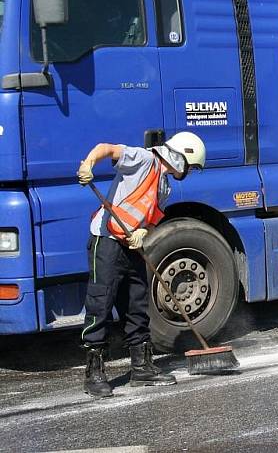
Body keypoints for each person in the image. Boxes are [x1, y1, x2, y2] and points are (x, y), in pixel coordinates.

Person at [76, 132, 206, 397]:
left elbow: (151, 219)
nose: (189, 173)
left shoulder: (164, 187)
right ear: (181, 157)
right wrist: (88, 164)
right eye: (190, 167)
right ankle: (94, 373)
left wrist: (143, 233)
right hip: (107, 240)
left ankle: (142, 367)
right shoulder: (143, 159)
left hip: (131, 245)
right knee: (100, 303)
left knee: (137, 303)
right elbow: (105, 147)